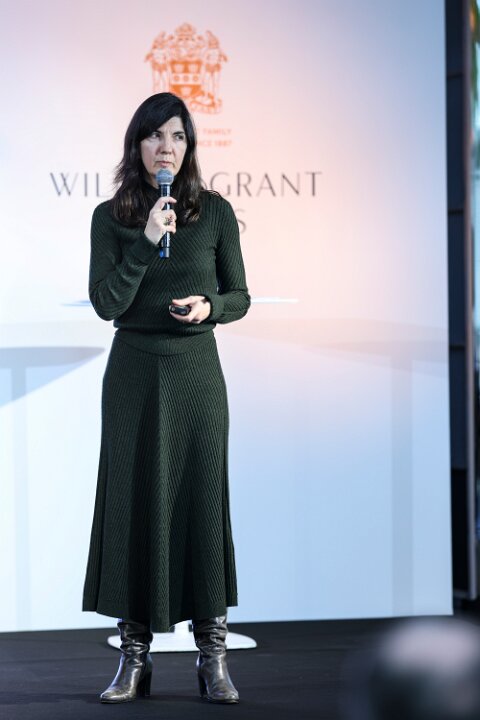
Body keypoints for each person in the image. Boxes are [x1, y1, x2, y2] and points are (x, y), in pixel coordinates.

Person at [82, 92, 250, 705]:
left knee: (202, 500)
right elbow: (107, 303)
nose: (166, 147)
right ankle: (133, 658)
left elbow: (240, 296)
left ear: (189, 146)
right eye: (155, 136)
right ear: (137, 145)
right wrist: (145, 238)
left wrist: (210, 307)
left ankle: (213, 657)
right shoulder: (111, 217)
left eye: (177, 136)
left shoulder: (215, 212)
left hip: (196, 373)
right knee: (132, 501)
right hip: (133, 373)